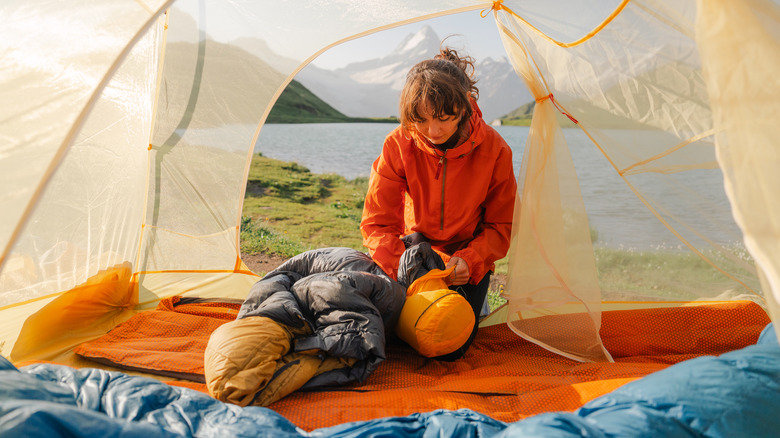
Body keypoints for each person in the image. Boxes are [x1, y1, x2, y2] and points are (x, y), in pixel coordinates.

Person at [360, 45, 517, 360]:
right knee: (387, 335)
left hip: (465, 258)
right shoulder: (398, 143)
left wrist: (470, 261)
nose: (433, 131)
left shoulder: (496, 150)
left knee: (448, 347)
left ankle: (473, 299)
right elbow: (377, 224)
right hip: (413, 251)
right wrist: (403, 268)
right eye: (421, 120)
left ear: (463, 106)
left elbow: (501, 226)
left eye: (444, 118)